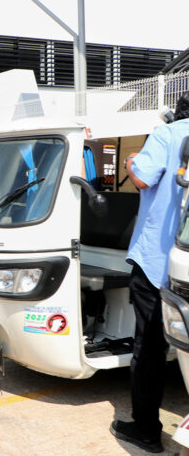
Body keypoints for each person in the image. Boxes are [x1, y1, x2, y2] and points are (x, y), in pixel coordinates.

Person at [110, 92, 189, 453]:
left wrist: (130, 160)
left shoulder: (168, 134)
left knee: (150, 346)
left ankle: (145, 429)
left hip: (157, 261)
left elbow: (141, 178)